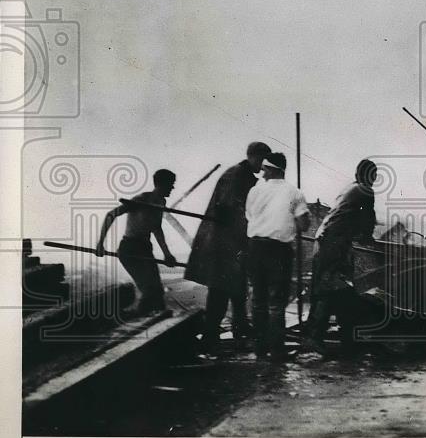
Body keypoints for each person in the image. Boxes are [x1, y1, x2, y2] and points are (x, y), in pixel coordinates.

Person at [185, 141, 271, 351]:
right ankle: (210, 335)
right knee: (221, 289)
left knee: (237, 285)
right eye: (262, 159)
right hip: (222, 243)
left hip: (232, 242)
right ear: (252, 156)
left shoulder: (244, 175)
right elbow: (227, 208)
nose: (263, 164)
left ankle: (239, 326)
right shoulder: (236, 175)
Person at [304, 159, 378, 355]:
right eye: (374, 174)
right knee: (333, 287)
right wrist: (369, 241)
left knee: (327, 286)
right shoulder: (365, 190)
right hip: (333, 243)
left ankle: (326, 335)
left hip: (324, 240)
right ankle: (318, 336)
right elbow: (368, 220)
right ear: (369, 176)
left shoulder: (350, 188)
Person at [244, 152, 310, 360]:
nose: (262, 173)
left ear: (273, 169)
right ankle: (277, 350)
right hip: (278, 250)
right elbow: (304, 224)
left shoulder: (254, 191)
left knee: (258, 300)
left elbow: (250, 216)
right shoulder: (294, 192)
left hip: (255, 246)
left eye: (265, 169)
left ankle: (260, 348)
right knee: (276, 301)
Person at [96, 169, 179, 316]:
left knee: (157, 290)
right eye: (171, 184)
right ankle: (139, 322)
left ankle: (161, 324)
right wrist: (100, 243)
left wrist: (167, 254)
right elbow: (111, 215)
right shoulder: (141, 199)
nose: (173, 188)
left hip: (145, 248)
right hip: (130, 248)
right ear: (162, 184)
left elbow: (157, 229)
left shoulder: (161, 202)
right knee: (149, 290)